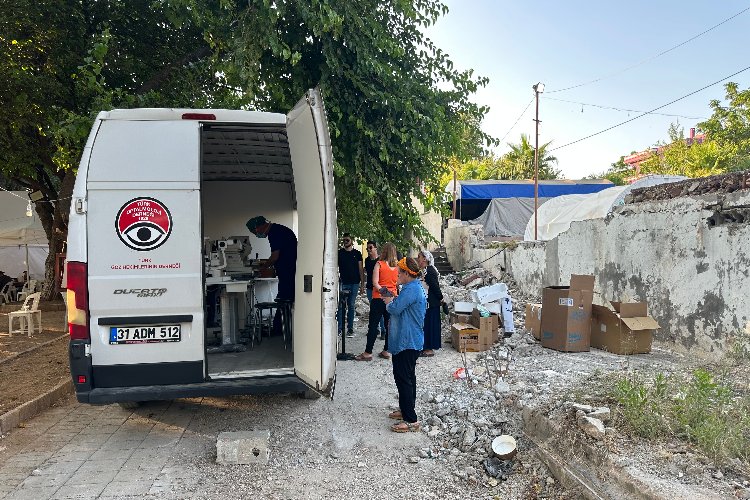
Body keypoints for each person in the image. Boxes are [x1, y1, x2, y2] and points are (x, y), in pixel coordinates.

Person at [382, 257, 426, 432]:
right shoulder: (411, 288)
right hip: (409, 340)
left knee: (403, 378)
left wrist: (387, 301)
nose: (398, 274)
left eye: (400, 272)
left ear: (408, 273)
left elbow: (395, 308)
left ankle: (411, 420)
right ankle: (406, 409)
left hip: (408, 341)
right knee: (407, 377)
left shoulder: (412, 290)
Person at [246, 216, 297, 335]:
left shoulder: (275, 233)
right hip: (288, 271)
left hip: (288, 272)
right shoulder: (277, 230)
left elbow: (275, 256)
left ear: (259, 226)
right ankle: (279, 328)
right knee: (284, 299)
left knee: (284, 300)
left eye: (255, 232)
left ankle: (278, 330)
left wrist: (263, 268)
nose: (256, 234)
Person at [355, 242, 398, 361]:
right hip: (392, 300)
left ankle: (368, 352)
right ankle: (386, 351)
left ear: (383, 251)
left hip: (379, 298)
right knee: (389, 325)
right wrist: (391, 295)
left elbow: (375, 283)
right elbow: (398, 283)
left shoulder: (379, 264)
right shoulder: (397, 267)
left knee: (373, 325)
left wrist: (385, 294)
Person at [417, 249, 444, 357]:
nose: (417, 260)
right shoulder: (426, 270)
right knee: (427, 325)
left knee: (430, 325)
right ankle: (426, 346)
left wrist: (441, 298)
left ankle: (429, 349)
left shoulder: (429, 271)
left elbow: (435, 287)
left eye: (419, 257)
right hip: (428, 303)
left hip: (432, 303)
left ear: (424, 259)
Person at [337, 233, 364, 337]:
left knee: (351, 305)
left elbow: (360, 269)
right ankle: (340, 328)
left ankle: (350, 329)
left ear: (352, 240)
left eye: (347, 240)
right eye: (343, 240)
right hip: (343, 282)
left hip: (354, 283)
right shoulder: (340, 253)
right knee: (340, 306)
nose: (345, 242)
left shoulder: (357, 253)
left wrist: (362, 284)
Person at [363, 241, 386, 339]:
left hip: (378, 288)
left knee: (379, 310)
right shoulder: (367, 260)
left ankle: (383, 330)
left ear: (376, 248)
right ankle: (374, 329)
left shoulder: (381, 260)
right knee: (373, 309)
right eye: (367, 248)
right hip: (369, 287)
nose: (369, 250)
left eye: (370, 247)